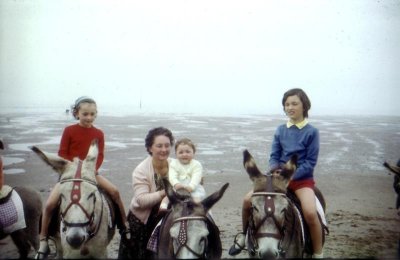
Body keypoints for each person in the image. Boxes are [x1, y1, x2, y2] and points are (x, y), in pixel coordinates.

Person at [229, 88, 324, 258]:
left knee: (310, 212)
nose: (290, 107)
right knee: (246, 201)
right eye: (287, 104)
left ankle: (317, 252)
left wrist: (290, 176)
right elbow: (274, 156)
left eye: (294, 103)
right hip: (277, 179)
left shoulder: (312, 132)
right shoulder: (280, 130)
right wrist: (275, 170)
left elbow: (310, 163)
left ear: (305, 106)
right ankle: (243, 236)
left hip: (301, 180)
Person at [35, 96, 129, 259]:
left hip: (90, 173)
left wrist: (90, 170)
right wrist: (71, 169)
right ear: (76, 113)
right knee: (50, 203)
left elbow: (99, 156)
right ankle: (43, 239)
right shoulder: (69, 130)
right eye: (85, 114)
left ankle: (123, 225)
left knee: (115, 192)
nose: (89, 118)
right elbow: (62, 153)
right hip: (70, 173)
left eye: (92, 114)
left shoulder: (98, 133)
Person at [118, 127, 174, 259]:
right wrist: (164, 193)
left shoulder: (176, 165)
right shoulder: (141, 170)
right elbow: (141, 201)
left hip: (169, 213)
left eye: (167, 145)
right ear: (150, 148)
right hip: (143, 218)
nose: (164, 150)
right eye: (159, 146)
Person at [168, 138, 206, 203]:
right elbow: (172, 176)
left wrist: (191, 187)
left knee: (197, 199)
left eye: (188, 152)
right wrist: (176, 183)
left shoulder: (196, 164)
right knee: (168, 197)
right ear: (176, 154)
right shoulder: (173, 164)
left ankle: (199, 209)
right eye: (181, 152)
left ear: (193, 152)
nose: (184, 154)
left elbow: (196, 177)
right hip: (178, 188)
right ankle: (163, 207)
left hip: (193, 189)